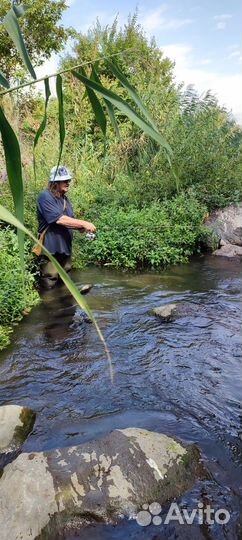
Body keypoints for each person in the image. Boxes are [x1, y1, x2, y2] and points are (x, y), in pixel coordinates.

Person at [37, 165, 96, 289]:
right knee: (49, 281)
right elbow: (59, 219)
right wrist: (84, 223)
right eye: (64, 181)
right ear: (55, 182)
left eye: (68, 180)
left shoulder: (65, 200)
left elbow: (70, 220)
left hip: (65, 249)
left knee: (65, 282)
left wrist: (80, 227)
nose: (68, 183)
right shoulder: (45, 197)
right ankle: (49, 306)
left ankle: (66, 306)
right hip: (50, 249)